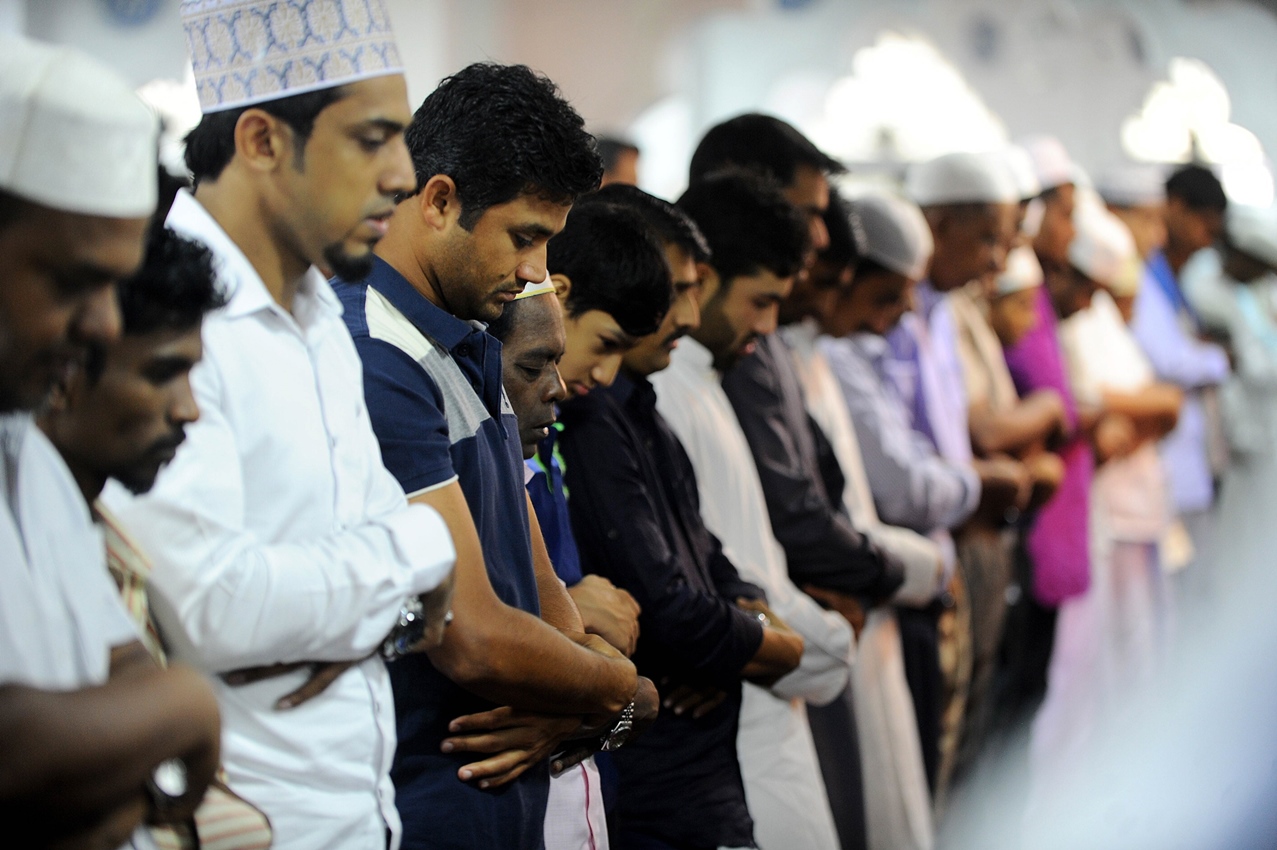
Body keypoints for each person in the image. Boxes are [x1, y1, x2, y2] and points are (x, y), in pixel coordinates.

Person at [104, 4, 460, 847]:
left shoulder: (316, 312)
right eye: (371, 139)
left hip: (364, 811)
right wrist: (419, 557)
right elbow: (216, 609)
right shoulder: (176, 329)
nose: (404, 175)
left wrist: (380, 585)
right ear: (263, 141)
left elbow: (396, 556)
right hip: (255, 820)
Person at [333, 63, 654, 849]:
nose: (535, 274)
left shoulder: (470, 337)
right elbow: (474, 638)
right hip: (429, 796)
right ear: (439, 200)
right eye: (525, 237)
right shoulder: (376, 350)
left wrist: (591, 699)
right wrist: (617, 689)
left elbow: (549, 609)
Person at [0, 33, 223, 850]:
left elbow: (118, 664)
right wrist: (187, 707)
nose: (101, 327)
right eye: (72, 281)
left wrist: (114, 745)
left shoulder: (22, 444)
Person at [551, 184, 806, 850]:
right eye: (672, 289)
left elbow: (716, 570)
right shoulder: (587, 414)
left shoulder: (642, 412)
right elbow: (663, 609)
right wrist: (763, 644)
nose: (684, 314)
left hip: (698, 776)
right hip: (655, 787)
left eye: (693, 289)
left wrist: (739, 638)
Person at [39, 224, 275, 850]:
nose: (188, 409)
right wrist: (187, 707)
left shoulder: (103, 539)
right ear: (65, 372)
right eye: (163, 373)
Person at [691, 112, 877, 850]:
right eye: (808, 214)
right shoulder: (670, 374)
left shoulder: (723, 354)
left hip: (774, 651)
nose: (823, 238)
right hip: (744, 682)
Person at [655, 169, 848, 850]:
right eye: (759, 301)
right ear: (701, 278)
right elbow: (723, 593)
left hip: (767, 698)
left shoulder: (707, 376)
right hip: (735, 736)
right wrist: (829, 641)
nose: (765, 328)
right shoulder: (667, 393)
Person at [790, 193, 943, 850]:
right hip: (838, 610)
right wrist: (922, 567)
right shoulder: (782, 358)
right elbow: (812, 521)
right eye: (887, 294)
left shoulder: (819, 353)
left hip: (869, 601)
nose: (903, 312)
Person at [893, 152, 1033, 801]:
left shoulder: (943, 309)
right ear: (938, 223)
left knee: (962, 740)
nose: (994, 261)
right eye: (985, 239)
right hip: (912, 556)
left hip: (957, 537)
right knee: (924, 757)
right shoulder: (889, 307)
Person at [1034, 199, 1181, 799]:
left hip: (1128, 514)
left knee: (1129, 664)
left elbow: (1157, 406)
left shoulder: (1104, 327)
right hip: (1091, 520)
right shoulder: (1058, 330)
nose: (1097, 300)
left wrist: (1135, 411)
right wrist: (1138, 410)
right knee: (1078, 676)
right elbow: (1099, 417)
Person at [996, 137, 1094, 723]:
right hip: (1024, 516)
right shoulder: (1014, 297)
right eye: (1065, 215)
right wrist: (1064, 412)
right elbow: (1053, 403)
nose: (1069, 231)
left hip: (1051, 510)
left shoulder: (1035, 294)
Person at [1129, 164, 1231, 578]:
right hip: (1164, 464)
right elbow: (1167, 360)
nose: (1207, 240)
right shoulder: (1143, 278)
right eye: (1202, 225)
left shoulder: (1175, 278)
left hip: (1190, 460)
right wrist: (1220, 360)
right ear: (1173, 208)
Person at [1196, 204, 1277, 596]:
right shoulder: (1206, 286)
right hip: (1233, 445)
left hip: (1260, 444)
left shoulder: (1254, 293)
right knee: (1233, 555)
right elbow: (1257, 366)